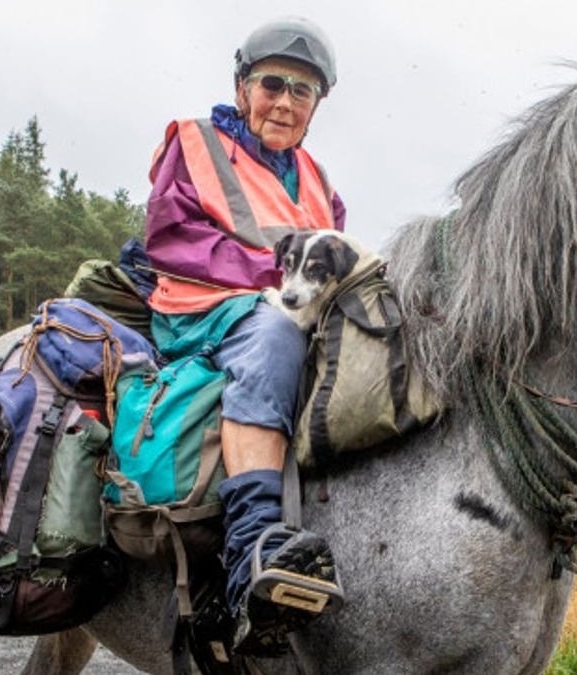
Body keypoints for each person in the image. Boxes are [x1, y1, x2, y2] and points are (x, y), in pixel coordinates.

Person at [142, 17, 345, 656]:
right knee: (280, 334)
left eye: (302, 92)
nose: (285, 102)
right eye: (272, 84)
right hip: (201, 304)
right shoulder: (196, 143)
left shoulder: (318, 181)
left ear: (316, 107)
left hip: (283, 305)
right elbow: (170, 236)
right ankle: (252, 548)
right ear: (243, 86)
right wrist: (269, 275)